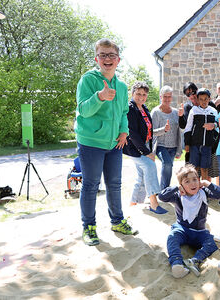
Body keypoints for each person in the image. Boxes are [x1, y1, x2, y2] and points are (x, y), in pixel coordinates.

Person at [75, 38, 137, 246]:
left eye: (111, 55)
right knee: (91, 185)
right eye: (103, 55)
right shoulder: (88, 80)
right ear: (96, 58)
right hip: (91, 142)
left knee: (115, 184)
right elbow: (83, 110)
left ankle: (117, 221)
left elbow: (123, 112)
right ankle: (89, 227)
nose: (107, 59)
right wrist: (99, 97)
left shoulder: (121, 85)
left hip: (114, 144)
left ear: (118, 60)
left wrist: (124, 131)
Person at [158, 164, 220, 278]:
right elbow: (162, 197)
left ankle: (195, 260)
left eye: (195, 179)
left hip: (200, 232)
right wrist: (176, 188)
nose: (192, 183)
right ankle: (176, 263)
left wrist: (207, 183)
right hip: (182, 229)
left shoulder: (204, 193)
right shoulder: (177, 196)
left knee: (214, 242)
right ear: (182, 185)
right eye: (187, 181)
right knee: (172, 237)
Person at [123, 81, 168, 215]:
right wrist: (147, 152)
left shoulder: (144, 108)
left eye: (144, 94)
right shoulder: (130, 109)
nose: (141, 97)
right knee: (149, 166)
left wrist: (162, 131)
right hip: (134, 147)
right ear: (132, 94)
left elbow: (148, 131)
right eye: (138, 94)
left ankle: (134, 203)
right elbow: (133, 133)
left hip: (145, 145)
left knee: (142, 176)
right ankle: (154, 204)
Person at [151, 85, 182, 190]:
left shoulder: (176, 112)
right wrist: (163, 129)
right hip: (160, 145)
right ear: (160, 97)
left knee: (168, 167)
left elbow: (179, 131)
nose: (167, 99)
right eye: (165, 96)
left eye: (169, 96)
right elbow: (151, 132)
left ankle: (164, 189)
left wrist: (179, 149)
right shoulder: (156, 112)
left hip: (173, 146)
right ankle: (164, 189)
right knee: (167, 164)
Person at [183, 88, 218, 181]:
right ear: (198, 100)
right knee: (194, 169)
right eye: (201, 99)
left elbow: (218, 127)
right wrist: (187, 144)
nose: (204, 101)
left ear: (209, 99)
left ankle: (204, 190)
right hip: (194, 145)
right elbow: (188, 128)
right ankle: (195, 189)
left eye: (206, 99)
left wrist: (214, 125)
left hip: (207, 145)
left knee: (205, 168)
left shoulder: (213, 111)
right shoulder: (194, 110)